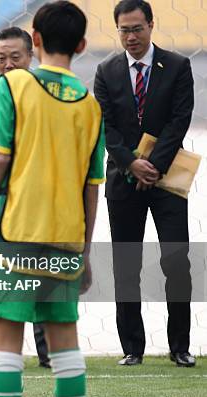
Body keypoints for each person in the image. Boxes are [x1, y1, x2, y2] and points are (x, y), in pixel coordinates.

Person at [0, 1, 104, 397]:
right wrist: (85, 251)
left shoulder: (13, 86)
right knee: (64, 343)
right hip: (65, 237)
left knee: (7, 340)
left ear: (34, 40)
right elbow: (91, 187)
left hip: (14, 231)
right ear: (82, 45)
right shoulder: (90, 106)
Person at [94, 0, 195, 367]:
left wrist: (152, 164)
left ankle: (180, 346)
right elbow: (105, 125)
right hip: (123, 180)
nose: (131, 36)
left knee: (176, 259)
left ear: (151, 25)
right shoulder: (106, 70)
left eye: (137, 28)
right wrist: (130, 163)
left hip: (167, 178)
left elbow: (180, 119)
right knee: (126, 262)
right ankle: (132, 348)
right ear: (116, 29)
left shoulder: (178, 66)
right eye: (124, 29)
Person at [0, 26, 50, 369]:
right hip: (6, 205)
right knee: (4, 280)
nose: (7, 65)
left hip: (47, 203)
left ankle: (47, 349)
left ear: (31, 55)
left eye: (15, 58)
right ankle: (1, 353)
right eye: (1, 58)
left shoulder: (52, 94)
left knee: (47, 278)